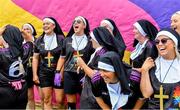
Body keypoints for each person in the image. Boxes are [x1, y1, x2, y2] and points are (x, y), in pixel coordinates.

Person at [77, 27, 123, 109]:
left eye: (92, 38)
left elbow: (97, 76)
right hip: (90, 93)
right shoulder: (98, 52)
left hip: (94, 97)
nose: (90, 40)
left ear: (97, 39)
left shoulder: (103, 55)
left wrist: (83, 64)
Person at [56, 16, 94, 109]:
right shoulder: (67, 40)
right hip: (69, 73)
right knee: (71, 101)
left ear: (84, 26)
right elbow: (62, 57)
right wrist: (57, 72)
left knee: (85, 99)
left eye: (78, 22)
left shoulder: (90, 40)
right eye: (74, 22)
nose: (75, 23)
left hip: (84, 74)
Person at [140, 28, 180, 109]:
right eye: (157, 42)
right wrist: (144, 71)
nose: (160, 44)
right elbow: (146, 94)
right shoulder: (152, 65)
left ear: (174, 43)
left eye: (164, 40)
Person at [32, 17, 65, 109]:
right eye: (44, 24)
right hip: (44, 73)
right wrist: (35, 74)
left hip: (58, 72)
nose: (45, 26)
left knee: (60, 100)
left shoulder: (61, 39)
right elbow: (35, 58)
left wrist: (61, 73)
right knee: (46, 99)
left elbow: (64, 57)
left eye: (47, 24)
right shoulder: (39, 40)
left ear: (54, 26)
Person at [129, 19, 158, 109]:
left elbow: (148, 67)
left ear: (143, 31)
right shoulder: (139, 45)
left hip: (145, 83)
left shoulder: (150, 46)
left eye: (136, 29)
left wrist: (129, 69)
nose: (133, 31)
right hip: (136, 81)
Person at [0, 25, 27, 109]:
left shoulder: (2, 53)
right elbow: (30, 40)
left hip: (4, 90)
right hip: (22, 89)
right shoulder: (25, 50)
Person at [21, 23, 37, 110]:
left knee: (44, 97)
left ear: (32, 31)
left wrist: (31, 41)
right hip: (26, 72)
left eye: (28, 29)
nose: (26, 31)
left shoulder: (38, 41)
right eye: (24, 29)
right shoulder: (20, 44)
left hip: (38, 71)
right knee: (30, 97)